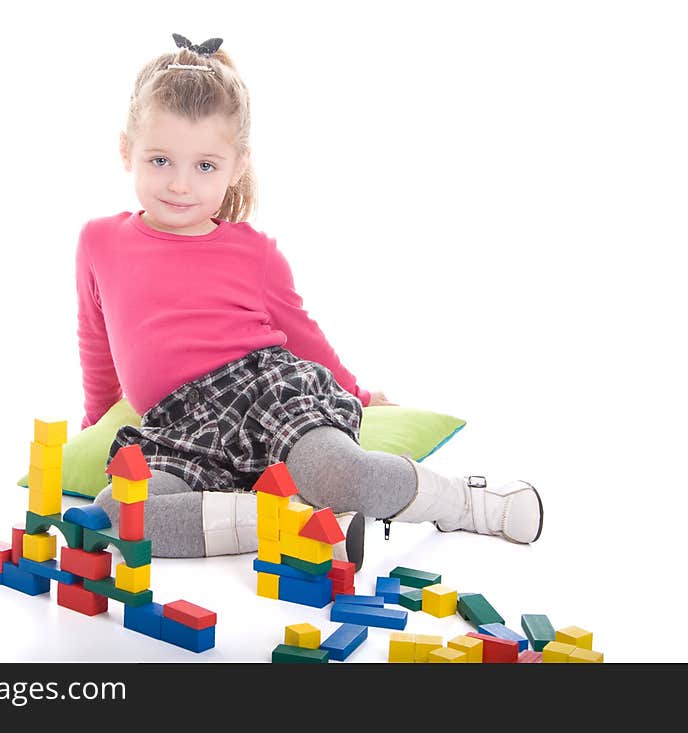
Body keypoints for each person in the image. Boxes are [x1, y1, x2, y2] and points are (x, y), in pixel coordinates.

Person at [76, 33, 543, 571]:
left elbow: (300, 333)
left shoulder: (252, 252)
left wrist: (358, 393)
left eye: (205, 166)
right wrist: (96, 420)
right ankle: (301, 522)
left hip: (264, 391)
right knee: (117, 513)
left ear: (237, 165)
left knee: (342, 476)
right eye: (160, 160)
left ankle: (471, 503)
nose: (180, 185)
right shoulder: (99, 241)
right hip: (176, 425)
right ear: (125, 150)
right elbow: (95, 335)